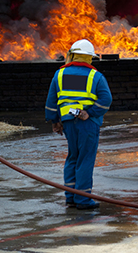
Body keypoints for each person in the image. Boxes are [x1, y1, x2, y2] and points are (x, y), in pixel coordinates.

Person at [45, 39, 112, 210]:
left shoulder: (59, 74)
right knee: (85, 159)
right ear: (89, 58)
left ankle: (71, 197)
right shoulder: (95, 76)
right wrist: (91, 112)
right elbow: (106, 100)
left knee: (73, 157)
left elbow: (52, 101)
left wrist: (55, 121)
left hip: (68, 123)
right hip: (87, 123)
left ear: (72, 54)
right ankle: (83, 199)